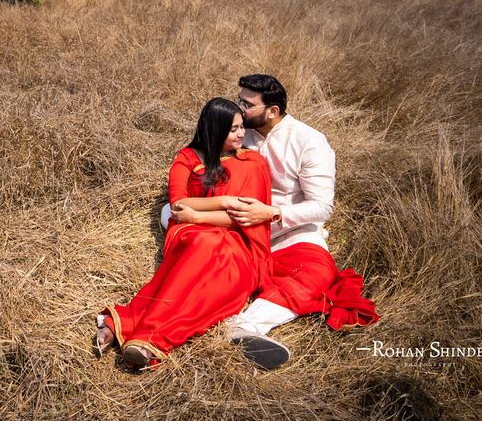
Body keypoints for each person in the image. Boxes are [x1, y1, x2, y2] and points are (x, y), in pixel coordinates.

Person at [160, 75, 379, 369]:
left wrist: (271, 213)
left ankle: (246, 326)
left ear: (272, 111)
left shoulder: (310, 142)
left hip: (286, 229)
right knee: (171, 215)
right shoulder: (240, 130)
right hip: (230, 222)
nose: (239, 108)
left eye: (247, 104)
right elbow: (198, 161)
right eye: (239, 100)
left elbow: (322, 207)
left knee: (318, 273)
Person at [95, 98, 273, 369]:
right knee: (204, 243)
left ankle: (141, 334)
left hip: (237, 236)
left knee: (217, 268)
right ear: (213, 130)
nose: (241, 135)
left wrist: (200, 213)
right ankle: (144, 337)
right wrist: (226, 201)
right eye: (233, 129)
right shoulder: (188, 158)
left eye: (241, 128)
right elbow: (179, 205)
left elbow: (245, 216)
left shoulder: (253, 162)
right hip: (190, 232)